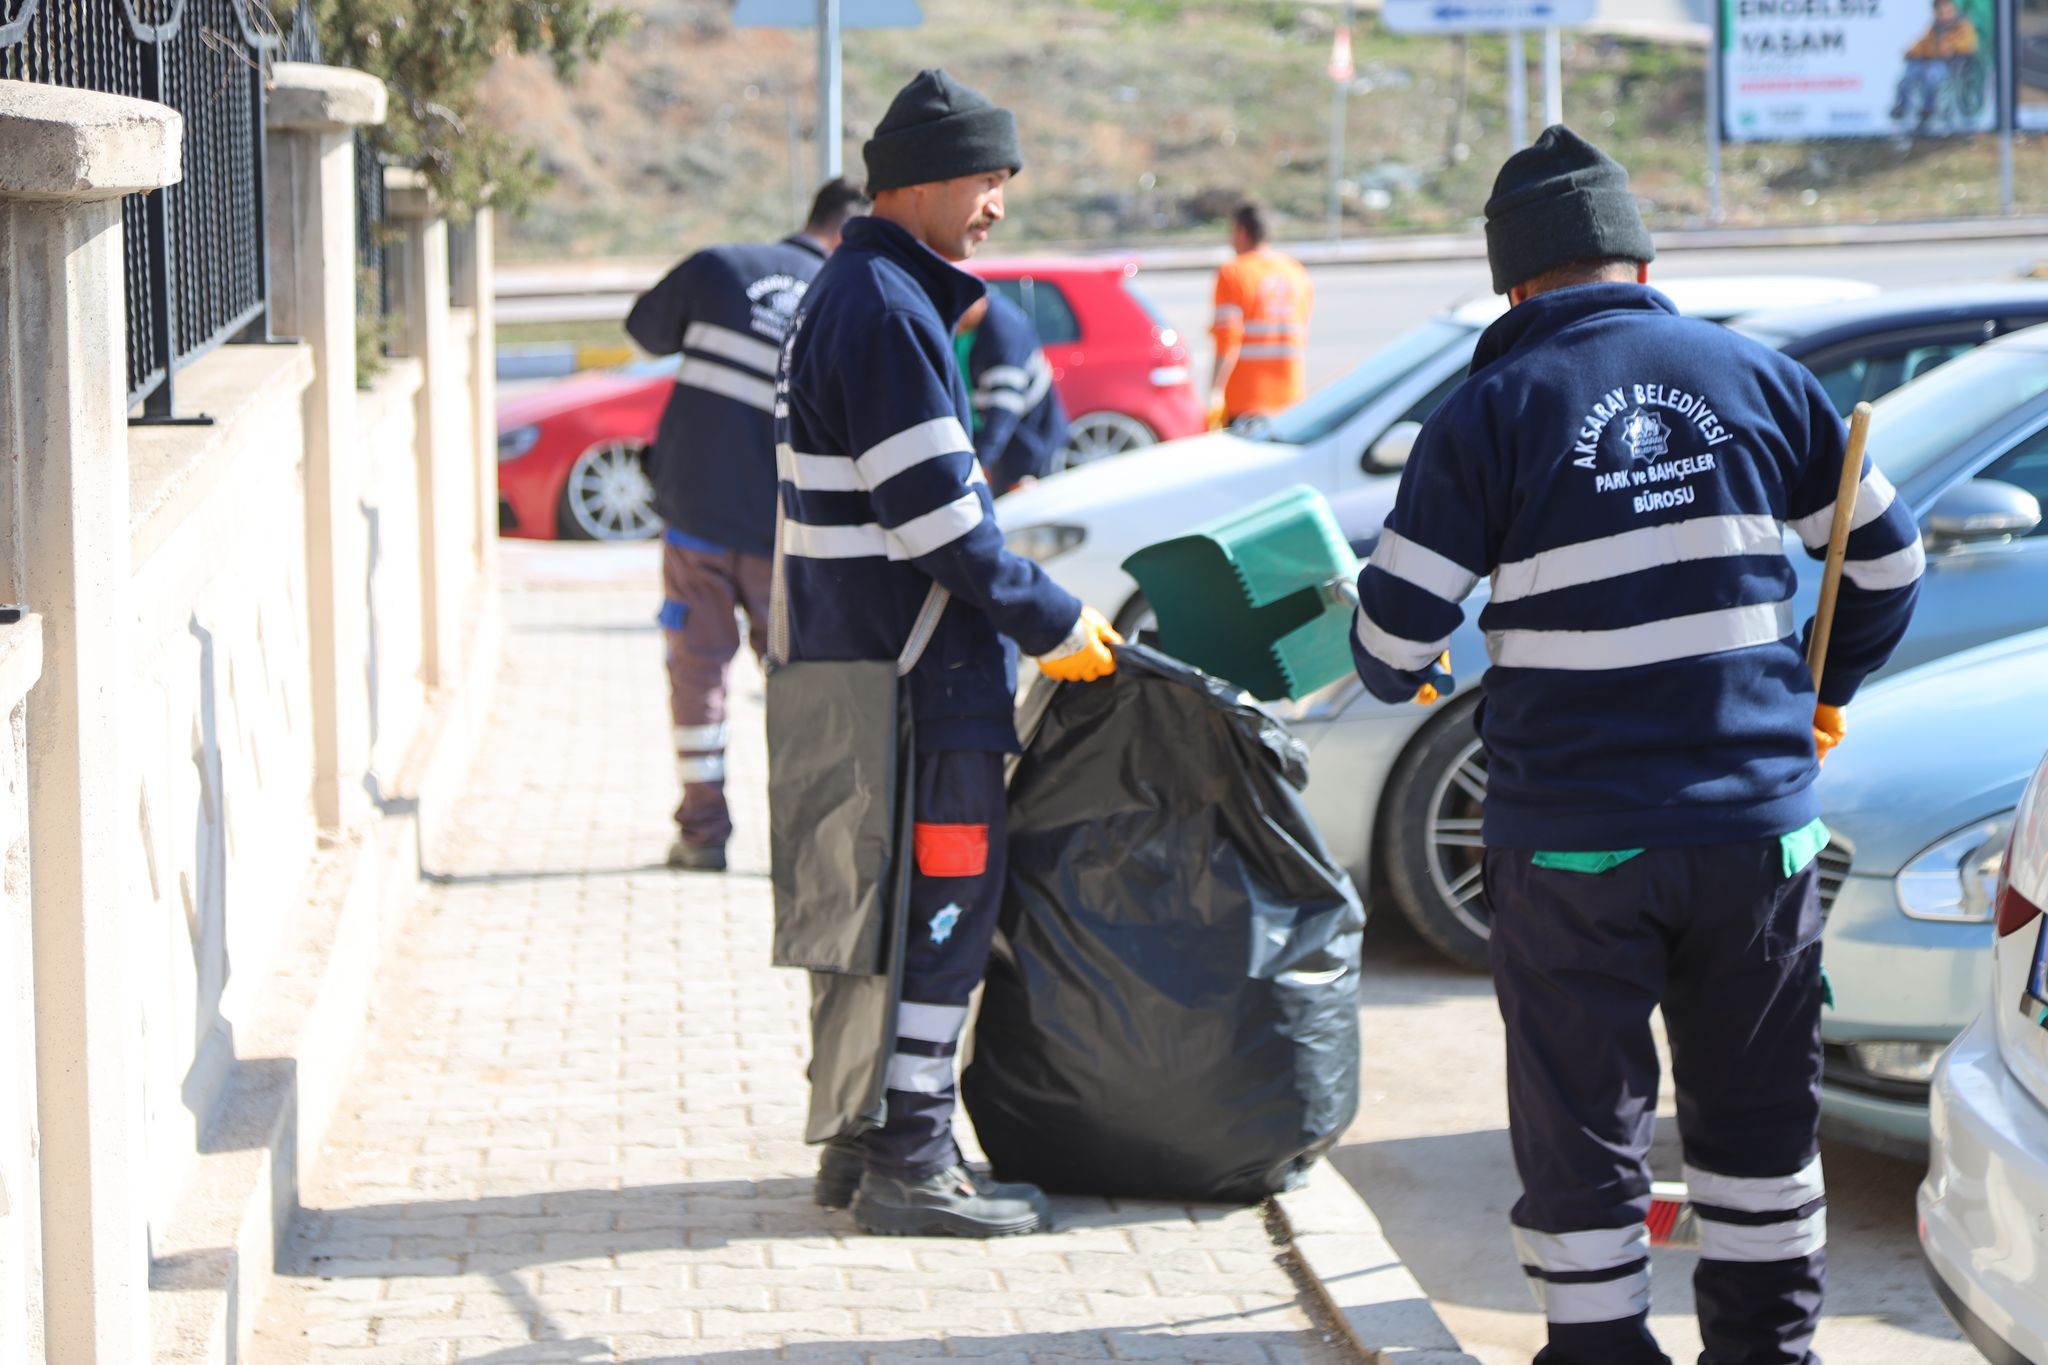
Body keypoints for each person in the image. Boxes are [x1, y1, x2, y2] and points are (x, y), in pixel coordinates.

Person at [1348, 126, 1923, 1364]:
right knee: (1760, 1122)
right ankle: (1767, 1352)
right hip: (1750, 837)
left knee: (1583, 1129)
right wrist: (1826, 690)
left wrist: (1409, 654)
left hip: (1573, 852)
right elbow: (1888, 561)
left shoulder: (1487, 411)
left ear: (1513, 282)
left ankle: (1601, 1349)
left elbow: (1388, 647)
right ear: (1637, 256)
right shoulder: (1757, 377)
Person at [774, 69, 1121, 1238]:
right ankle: (910, 1159)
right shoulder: (882, 308)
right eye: (986, 181)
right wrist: (1053, 620)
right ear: (919, 181)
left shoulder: (856, 291)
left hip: (855, 665)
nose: (996, 208)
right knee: (939, 902)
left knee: (865, 908)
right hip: (921, 675)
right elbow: (933, 522)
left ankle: (867, 1131)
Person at [624, 178, 868, 873]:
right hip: (786, 535)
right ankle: (811, 839)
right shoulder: (845, 300)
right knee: (797, 681)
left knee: (697, 671)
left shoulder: (720, 268)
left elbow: (644, 331)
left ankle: (703, 832)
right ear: (850, 233)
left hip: (696, 516)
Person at [1207, 203, 1313, 426]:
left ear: (1241, 232)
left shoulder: (1233, 272)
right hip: (1290, 397)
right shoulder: (1295, 271)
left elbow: (1227, 340)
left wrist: (1215, 391)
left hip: (1245, 401)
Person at [954, 290, 1069, 494]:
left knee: (1024, 501)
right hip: (990, 429)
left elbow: (1004, 409)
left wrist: (982, 461)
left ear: (979, 301)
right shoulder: (966, 325)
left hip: (1028, 435)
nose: (955, 318)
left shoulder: (1003, 333)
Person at [1892, 0, 1980, 128]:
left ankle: (1928, 109)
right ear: (1936, 14)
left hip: (1951, 65)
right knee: (1909, 74)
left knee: (1931, 76)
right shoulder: (1935, 29)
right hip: (1931, 61)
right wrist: (1911, 51)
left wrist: (1953, 48)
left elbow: (1969, 45)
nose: (1946, 15)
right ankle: (1902, 105)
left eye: (1948, 11)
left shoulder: (1963, 26)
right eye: (1941, 13)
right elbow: (1923, 43)